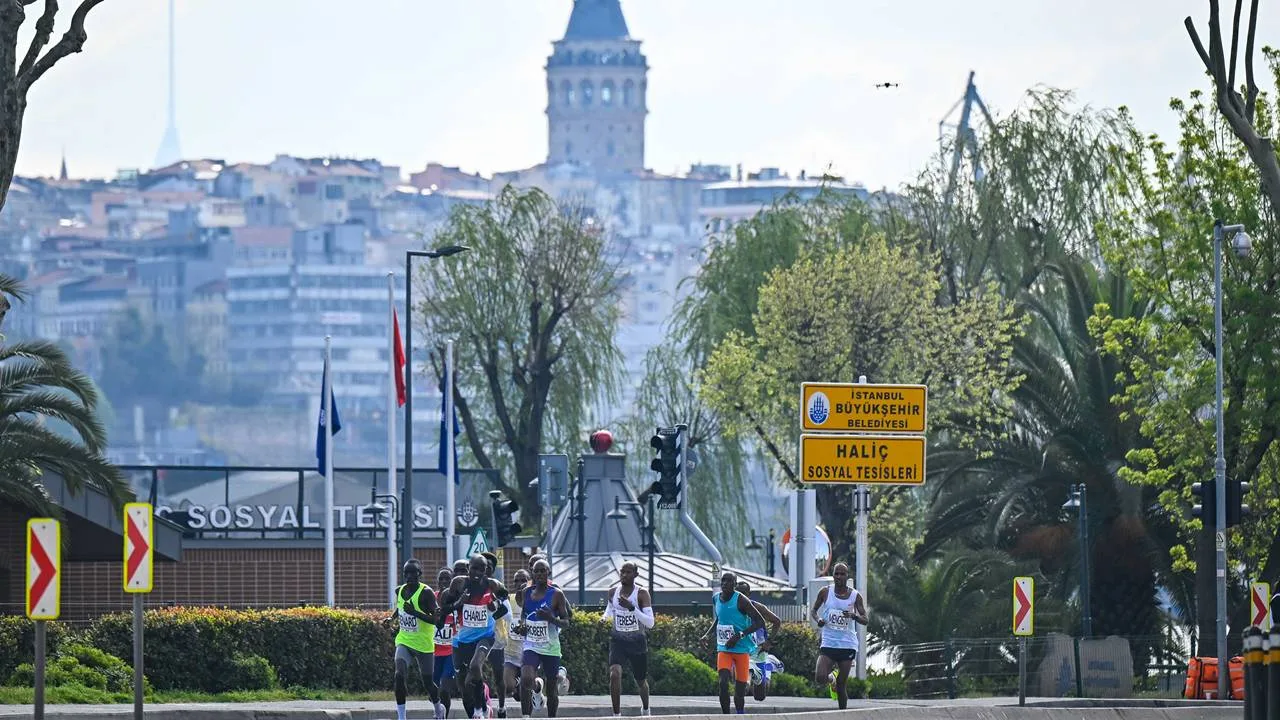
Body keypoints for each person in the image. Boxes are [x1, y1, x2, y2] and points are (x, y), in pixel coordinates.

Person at [438, 554, 510, 720]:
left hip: (485, 636)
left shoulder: (491, 584)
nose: (477, 572)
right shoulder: (458, 583)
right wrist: (459, 603)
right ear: (468, 567)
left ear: (486, 571)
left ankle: (479, 710)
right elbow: (446, 609)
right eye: (474, 568)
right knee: (464, 686)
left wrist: (495, 605)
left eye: (481, 569)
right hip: (460, 640)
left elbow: (503, 601)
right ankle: (480, 709)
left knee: (475, 667)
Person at [385, 558, 442, 720]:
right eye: (406, 574)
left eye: (413, 573)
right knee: (399, 675)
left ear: (420, 574)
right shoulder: (399, 590)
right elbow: (400, 608)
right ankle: (401, 716)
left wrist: (415, 613)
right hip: (405, 640)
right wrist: (391, 619)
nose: (410, 577)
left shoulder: (426, 593)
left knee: (428, 683)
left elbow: (436, 620)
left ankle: (438, 707)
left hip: (424, 644)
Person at [518, 559, 572, 718]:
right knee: (526, 678)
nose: (540, 574)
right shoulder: (526, 592)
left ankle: (551, 717)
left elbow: (566, 622)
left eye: (543, 571)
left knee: (552, 687)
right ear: (532, 573)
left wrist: (551, 618)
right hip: (531, 644)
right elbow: (524, 615)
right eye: (537, 571)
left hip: (550, 646)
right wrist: (521, 626)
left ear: (548, 573)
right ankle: (528, 710)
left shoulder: (556, 594)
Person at [811, 562, 867, 710]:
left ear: (847, 576)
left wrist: (854, 616)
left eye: (842, 574)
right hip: (829, 642)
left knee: (842, 685)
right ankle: (831, 678)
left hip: (847, 644)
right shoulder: (825, 592)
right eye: (836, 573)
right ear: (833, 574)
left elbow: (865, 619)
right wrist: (819, 620)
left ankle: (842, 715)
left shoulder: (855, 596)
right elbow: (813, 611)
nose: (839, 576)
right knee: (820, 677)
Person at [602, 561, 654, 717]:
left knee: (640, 681)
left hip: (637, 642)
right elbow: (610, 610)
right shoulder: (612, 592)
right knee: (614, 674)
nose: (624, 575)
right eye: (622, 572)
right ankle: (616, 715)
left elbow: (650, 623)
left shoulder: (641, 594)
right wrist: (604, 619)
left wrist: (632, 608)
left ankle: (646, 709)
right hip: (618, 641)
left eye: (628, 572)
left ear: (636, 575)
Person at [710, 571, 766, 715]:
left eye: (729, 581)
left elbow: (760, 622)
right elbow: (719, 619)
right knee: (723, 683)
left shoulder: (741, 600)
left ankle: (740, 714)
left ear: (734, 585)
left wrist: (739, 635)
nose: (725, 584)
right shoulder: (716, 598)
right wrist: (706, 635)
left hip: (741, 649)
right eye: (723, 581)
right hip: (724, 648)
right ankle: (726, 716)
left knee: (740, 691)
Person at [734, 580, 781, 702]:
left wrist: (769, 642)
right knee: (743, 685)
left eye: (744, 593)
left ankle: (768, 666)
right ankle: (739, 714)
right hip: (741, 649)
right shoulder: (730, 608)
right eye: (738, 593)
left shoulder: (758, 607)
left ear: (749, 594)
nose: (741, 596)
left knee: (759, 696)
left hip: (758, 650)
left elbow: (777, 621)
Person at [482, 552, 511, 718]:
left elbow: (505, 611)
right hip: (476, 636)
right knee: (477, 671)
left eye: (488, 568)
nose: (485, 570)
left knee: (498, 675)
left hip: (496, 639)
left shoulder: (497, 588)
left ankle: (501, 706)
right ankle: (484, 704)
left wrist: (490, 615)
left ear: (491, 571)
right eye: (482, 567)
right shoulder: (473, 586)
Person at [434, 567, 460, 719]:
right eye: (441, 579)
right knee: (433, 690)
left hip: (451, 651)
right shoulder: (432, 597)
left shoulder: (457, 601)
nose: (444, 582)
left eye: (447, 579)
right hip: (433, 651)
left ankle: (444, 716)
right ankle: (439, 711)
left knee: (444, 688)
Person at [503, 570, 531, 707]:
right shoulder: (509, 599)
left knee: (528, 689)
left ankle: (536, 690)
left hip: (529, 652)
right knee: (508, 686)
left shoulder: (534, 599)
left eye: (523, 580)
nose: (520, 583)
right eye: (516, 581)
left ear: (529, 581)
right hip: (511, 653)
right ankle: (518, 686)